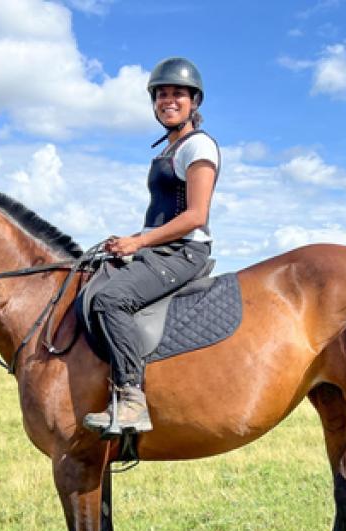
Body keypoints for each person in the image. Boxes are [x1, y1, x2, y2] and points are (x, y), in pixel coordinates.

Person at [83, 57, 220, 436]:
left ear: (194, 101)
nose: (168, 100)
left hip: (184, 253)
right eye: (161, 94)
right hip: (159, 251)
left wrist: (139, 241)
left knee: (110, 299)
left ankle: (131, 400)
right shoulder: (167, 151)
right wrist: (129, 245)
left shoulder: (199, 146)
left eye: (178, 93)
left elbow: (195, 216)